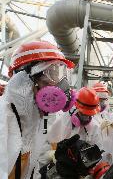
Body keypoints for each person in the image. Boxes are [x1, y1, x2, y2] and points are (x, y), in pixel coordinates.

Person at [0, 41, 75, 179]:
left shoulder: (34, 121)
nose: (57, 90)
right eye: (47, 82)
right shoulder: (4, 118)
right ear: (25, 82)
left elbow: (30, 171)